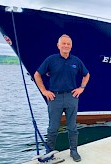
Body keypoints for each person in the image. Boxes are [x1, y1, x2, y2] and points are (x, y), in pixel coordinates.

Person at [34, 34, 90, 162]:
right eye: (63, 43)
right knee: (52, 128)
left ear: (71, 46)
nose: (66, 46)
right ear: (58, 45)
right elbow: (37, 74)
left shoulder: (76, 61)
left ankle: (74, 151)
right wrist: (44, 91)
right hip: (55, 98)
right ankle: (49, 153)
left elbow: (86, 75)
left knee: (73, 127)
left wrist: (81, 88)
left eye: (68, 44)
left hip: (71, 97)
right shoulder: (51, 60)